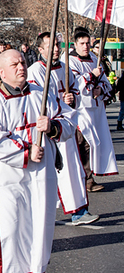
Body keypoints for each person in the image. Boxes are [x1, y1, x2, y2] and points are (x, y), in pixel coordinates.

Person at [0, 50, 75, 273]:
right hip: (10, 180)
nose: (21, 67)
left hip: (41, 178)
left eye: (22, 62)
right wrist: (25, 153)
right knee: (6, 232)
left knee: (39, 230)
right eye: (14, 65)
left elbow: (68, 120)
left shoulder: (42, 93)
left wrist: (53, 127)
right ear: (1, 72)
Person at [27, 32, 99, 225]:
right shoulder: (36, 70)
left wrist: (71, 98)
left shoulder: (65, 69)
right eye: (51, 46)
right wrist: (60, 103)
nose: (57, 49)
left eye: (58, 45)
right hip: (48, 127)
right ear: (41, 49)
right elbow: (36, 100)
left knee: (72, 169)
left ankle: (79, 210)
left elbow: (75, 90)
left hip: (64, 126)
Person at [68, 30, 118, 191]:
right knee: (84, 144)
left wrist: (99, 89)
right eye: (82, 43)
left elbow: (105, 82)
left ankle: (89, 177)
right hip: (80, 110)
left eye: (88, 43)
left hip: (95, 109)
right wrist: (91, 75)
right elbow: (74, 84)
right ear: (75, 44)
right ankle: (85, 179)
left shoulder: (95, 59)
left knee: (95, 143)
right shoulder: (70, 61)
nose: (85, 46)